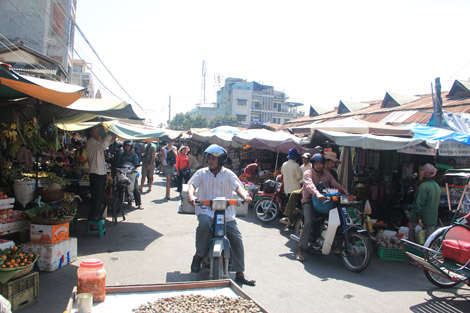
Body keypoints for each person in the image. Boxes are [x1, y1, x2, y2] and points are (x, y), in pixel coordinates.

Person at [187, 144, 255, 286]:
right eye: (209, 158)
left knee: (236, 238)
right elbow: (192, 186)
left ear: (221, 160)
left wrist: (245, 197)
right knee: (204, 225)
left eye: (213, 158)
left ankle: (240, 273)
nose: (210, 161)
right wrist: (191, 196)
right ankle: (199, 255)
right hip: (206, 211)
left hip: (226, 213)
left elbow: (238, 187)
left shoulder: (229, 174)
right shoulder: (201, 173)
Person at [297, 153, 348, 261]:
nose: (319, 166)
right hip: (309, 201)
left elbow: (335, 184)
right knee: (308, 222)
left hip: (325, 201)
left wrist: (346, 192)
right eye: (316, 163)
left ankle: (336, 245)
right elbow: (309, 184)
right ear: (313, 164)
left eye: (320, 163)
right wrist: (317, 194)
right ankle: (300, 250)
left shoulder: (327, 175)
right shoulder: (308, 173)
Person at [86, 127, 115, 221]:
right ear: (90, 132)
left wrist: (112, 137)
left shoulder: (97, 140)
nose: (97, 131)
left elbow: (107, 142)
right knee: (96, 196)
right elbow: (104, 145)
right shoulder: (91, 142)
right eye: (95, 130)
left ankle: (97, 214)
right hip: (95, 172)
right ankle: (93, 215)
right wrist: (108, 136)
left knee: (100, 195)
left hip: (101, 172)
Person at [408, 163, 441, 243]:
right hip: (431, 219)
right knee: (428, 242)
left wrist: (419, 218)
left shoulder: (423, 186)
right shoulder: (437, 186)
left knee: (414, 241)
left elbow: (419, 204)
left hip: (420, 220)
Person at [115, 141, 143, 210]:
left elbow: (136, 164)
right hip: (123, 173)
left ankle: (139, 203)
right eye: (126, 146)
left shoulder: (134, 155)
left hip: (131, 173)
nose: (127, 147)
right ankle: (118, 203)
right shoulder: (122, 155)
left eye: (129, 146)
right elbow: (118, 163)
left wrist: (134, 168)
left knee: (135, 188)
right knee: (119, 186)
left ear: (131, 147)